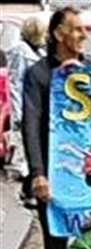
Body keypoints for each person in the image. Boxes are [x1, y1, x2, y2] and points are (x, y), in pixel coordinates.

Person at [22, 6, 91, 249]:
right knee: (56, 243)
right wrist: (38, 173)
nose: (84, 36)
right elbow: (31, 123)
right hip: (56, 172)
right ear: (59, 34)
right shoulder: (39, 74)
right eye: (78, 29)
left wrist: (84, 81)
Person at [7, 15, 46, 199]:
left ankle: (29, 188)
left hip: (34, 107)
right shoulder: (19, 51)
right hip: (22, 106)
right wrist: (17, 113)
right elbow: (15, 82)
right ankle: (27, 188)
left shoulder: (40, 53)